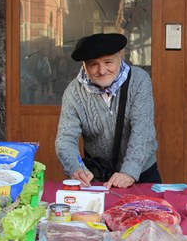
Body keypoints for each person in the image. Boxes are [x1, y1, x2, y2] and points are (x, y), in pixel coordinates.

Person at [55, 33, 161, 189]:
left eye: (108, 62)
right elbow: (65, 139)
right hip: (98, 176)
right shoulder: (74, 92)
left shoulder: (139, 80)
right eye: (93, 64)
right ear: (84, 65)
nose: (102, 70)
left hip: (141, 172)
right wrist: (76, 168)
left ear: (120, 57)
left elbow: (143, 131)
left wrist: (129, 172)